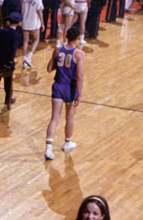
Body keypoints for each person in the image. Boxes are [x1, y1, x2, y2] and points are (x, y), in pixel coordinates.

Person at [44, 26, 84, 160]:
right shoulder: (79, 54)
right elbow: (79, 75)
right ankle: (67, 142)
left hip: (57, 85)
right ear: (77, 38)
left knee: (54, 119)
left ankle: (48, 148)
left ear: (66, 36)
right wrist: (80, 94)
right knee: (70, 117)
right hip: (69, 88)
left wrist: (54, 57)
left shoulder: (57, 50)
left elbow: (49, 69)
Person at [20, 0, 43, 69]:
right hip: (34, 23)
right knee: (36, 40)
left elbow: (21, 7)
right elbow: (39, 11)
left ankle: (24, 60)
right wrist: (42, 23)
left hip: (25, 21)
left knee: (25, 41)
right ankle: (29, 58)